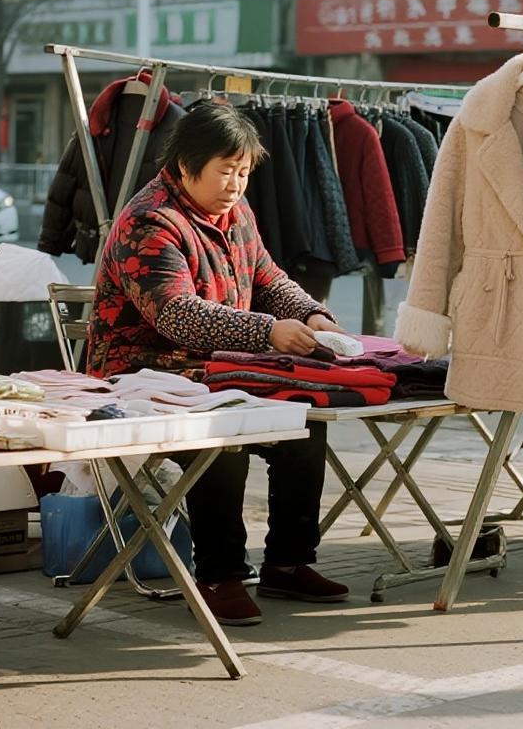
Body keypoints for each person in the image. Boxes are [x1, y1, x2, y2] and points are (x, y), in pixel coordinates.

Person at [86, 102, 349, 626]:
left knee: (303, 425)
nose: (235, 184)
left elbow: (269, 278)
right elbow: (177, 316)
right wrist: (267, 331)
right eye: (224, 171)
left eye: (244, 172)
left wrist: (312, 315)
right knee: (222, 447)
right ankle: (217, 575)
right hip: (141, 375)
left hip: (218, 369)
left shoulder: (235, 213)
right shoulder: (149, 221)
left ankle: (288, 563)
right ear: (186, 166)